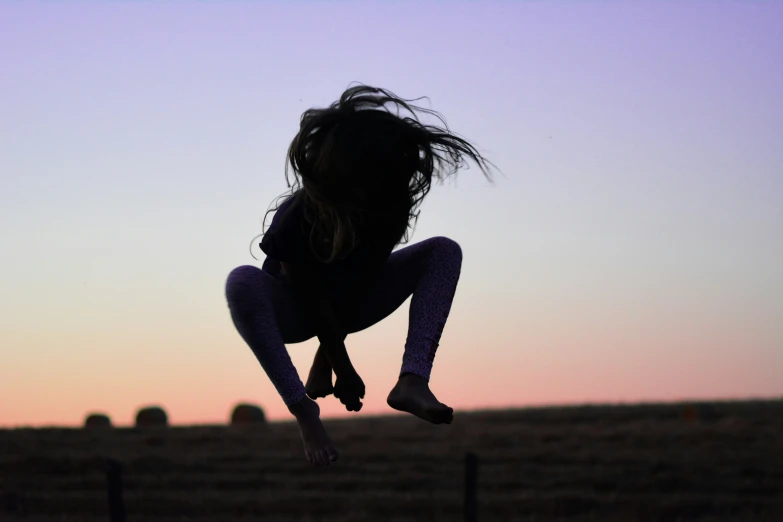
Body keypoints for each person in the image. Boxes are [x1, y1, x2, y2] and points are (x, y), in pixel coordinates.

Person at [225, 85, 496, 467]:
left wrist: (325, 360)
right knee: (241, 281)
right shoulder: (298, 215)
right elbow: (310, 296)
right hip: (292, 310)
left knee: (443, 250)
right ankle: (303, 410)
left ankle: (413, 379)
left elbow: (359, 283)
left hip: (349, 305)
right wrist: (342, 368)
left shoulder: (388, 210)